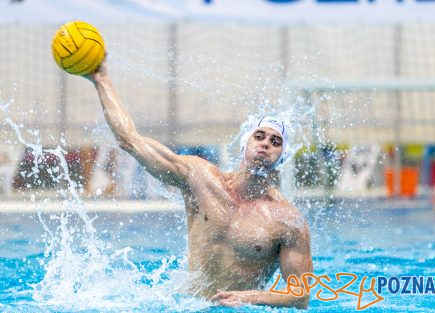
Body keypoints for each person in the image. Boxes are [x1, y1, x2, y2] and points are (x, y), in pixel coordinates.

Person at [85, 59, 312, 309]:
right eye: (259, 136)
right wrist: (101, 80)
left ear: (282, 157)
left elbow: (300, 296)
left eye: (275, 141)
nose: (266, 143)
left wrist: (248, 297)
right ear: (244, 143)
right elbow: (131, 141)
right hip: (186, 305)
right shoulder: (199, 177)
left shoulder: (287, 221)